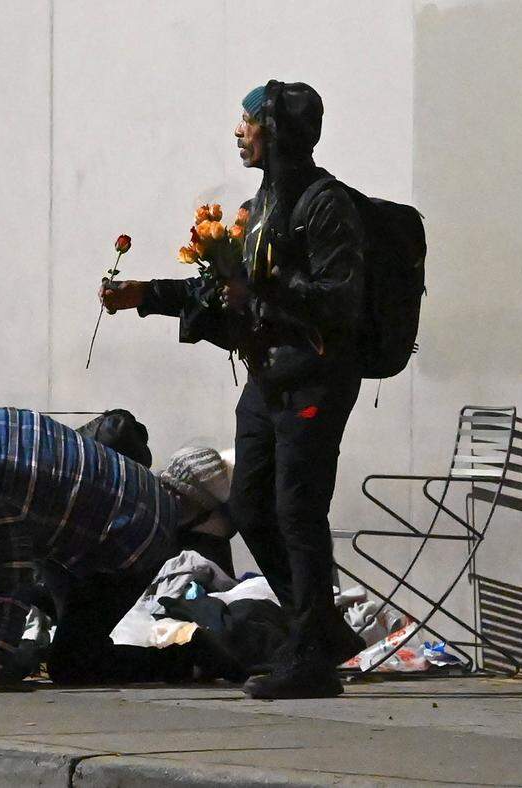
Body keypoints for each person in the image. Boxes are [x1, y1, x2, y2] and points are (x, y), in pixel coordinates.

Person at [100, 81, 367, 699]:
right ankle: (319, 628)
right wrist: (147, 296)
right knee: (249, 506)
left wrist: (264, 292)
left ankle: (310, 658)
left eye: (246, 123)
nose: (238, 134)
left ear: (273, 131)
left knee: (298, 509)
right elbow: (221, 297)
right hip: (266, 380)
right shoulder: (263, 204)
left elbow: (340, 300)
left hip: (314, 381)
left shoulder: (326, 206)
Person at [0, 410, 232, 688]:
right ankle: (88, 646)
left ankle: (190, 659)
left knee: (71, 667)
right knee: (68, 610)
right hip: (137, 495)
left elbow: (10, 581)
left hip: (133, 542)